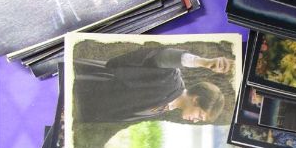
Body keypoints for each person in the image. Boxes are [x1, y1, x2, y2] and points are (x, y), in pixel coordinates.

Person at [73, 46, 233, 124]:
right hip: (88, 85)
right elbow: (163, 57)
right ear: (196, 100)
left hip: (86, 108)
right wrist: (203, 62)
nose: (195, 120)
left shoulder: (166, 108)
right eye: (200, 116)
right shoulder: (170, 79)